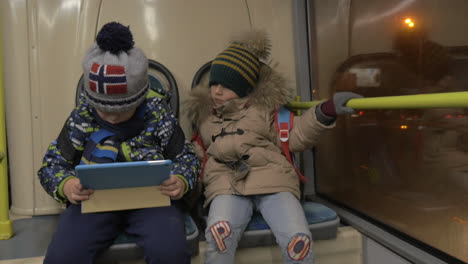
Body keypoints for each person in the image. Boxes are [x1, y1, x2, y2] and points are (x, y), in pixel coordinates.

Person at [186, 31, 362, 264]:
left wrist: (325, 110)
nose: (217, 91)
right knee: (220, 235)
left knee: (297, 241)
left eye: (226, 86)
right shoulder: (206, 117)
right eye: (214, 84)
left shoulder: (266, 111)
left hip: (273, 181)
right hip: (227, 185)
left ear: (245, 88)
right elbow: (198, 151)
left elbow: (296, 135)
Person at [38, 22, 200, 264]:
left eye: (123, 111)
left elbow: (187, 157)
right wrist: (67, 184)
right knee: (63, 255)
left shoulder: (157, 113)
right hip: (93, 201)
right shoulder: (81, 117)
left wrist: (181, 180)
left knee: (170, 252)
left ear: (140, 99)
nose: (112, 117)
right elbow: (51, 166)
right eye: (103, 110)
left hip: (151, 202)